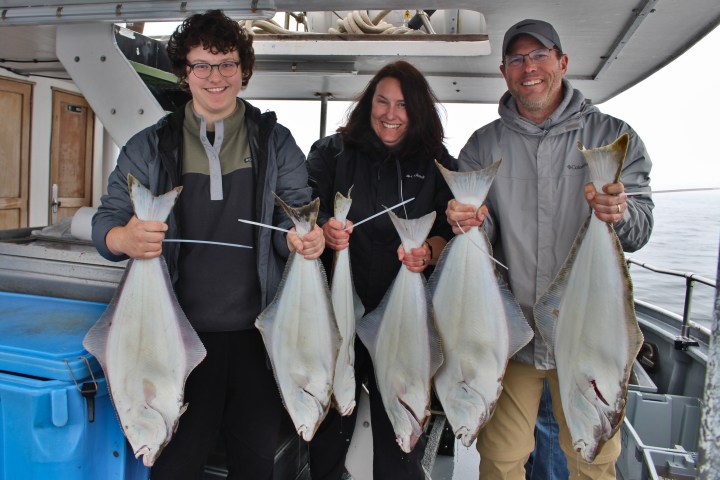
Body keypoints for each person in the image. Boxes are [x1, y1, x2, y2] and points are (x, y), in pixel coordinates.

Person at [91, 10, 324, 480]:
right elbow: (106, 223)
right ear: (184, 72)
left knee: (254, 465)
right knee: (175, 466)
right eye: (201, 65)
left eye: (227, 64)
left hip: (258, 338)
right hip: (171, 339)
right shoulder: (149, 146)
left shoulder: (275, 143)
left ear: (243, 70)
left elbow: (294, 215)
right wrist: (125, 238)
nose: (214, 77)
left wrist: (304, 240)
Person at [446, 19, 654, 479]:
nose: (529, 68)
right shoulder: (484, 145)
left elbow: (641, 229)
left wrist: (620, 212)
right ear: (504, 71)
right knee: (500, 460)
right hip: (512, 332)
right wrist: (468, 224)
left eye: (539, 56)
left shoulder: (614, 136)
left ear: (562, 62)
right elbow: (484, 236)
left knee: (594, 457)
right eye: (517, 59)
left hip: (589, 333)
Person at [306, 60, 454, 479]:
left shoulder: (438, 162)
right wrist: (325, 230)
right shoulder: (332, 152)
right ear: (368, 103)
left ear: (419, 110)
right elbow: (307, 207)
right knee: (331, 424)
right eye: (382, 101)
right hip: (339, 315)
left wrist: (427, 251)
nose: (390, 114)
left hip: (405, 319)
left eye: (403, 105)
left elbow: (449, 234)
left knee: (402, 431)